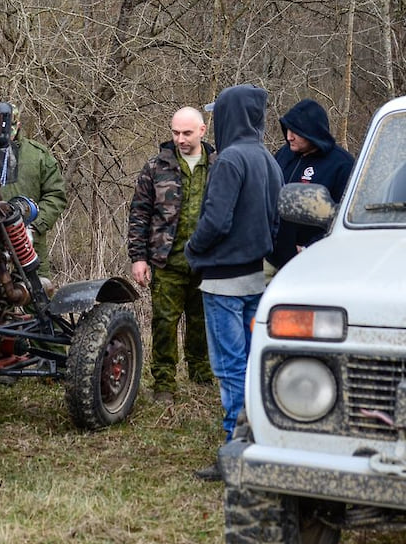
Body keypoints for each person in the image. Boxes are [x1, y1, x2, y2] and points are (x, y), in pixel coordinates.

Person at [185, 84, 282, 481]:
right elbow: (276, 221)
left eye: (217, 113)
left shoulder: (229, 160)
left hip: (224, 281)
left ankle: (235, 454)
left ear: (230, 115)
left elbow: (216, 220)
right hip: (256, 277)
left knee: (229, 367)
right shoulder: (268, 159)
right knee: (255, 365)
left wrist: (194, 248)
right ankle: (257, 443)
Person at [127, 107, 214, 404]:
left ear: (202, 131)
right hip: (166, 260)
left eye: (187, 133)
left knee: (202, 321)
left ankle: (201, 375)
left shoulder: (218, 165)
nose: (180, 139)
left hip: (207, 261)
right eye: (175, 133)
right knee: (164, 322)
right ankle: (164, 382)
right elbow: (139, 213)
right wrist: (138, 258)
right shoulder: (156, 166)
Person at [265, 98, 354, 275]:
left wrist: (310, 248)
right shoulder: (284, 154)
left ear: (313, 132)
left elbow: (346, 216)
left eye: (296, 131)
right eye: (287, 129)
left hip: (312, 263)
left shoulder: (342, 165)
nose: (289, 136)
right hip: (271, 256)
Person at [0, 107, 68, 277]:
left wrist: (36, 226)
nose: (6, 136)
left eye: (9, 130)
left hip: (30, 243)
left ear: (18, 125)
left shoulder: (37, 155)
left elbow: (55, 195)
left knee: (39, 294)